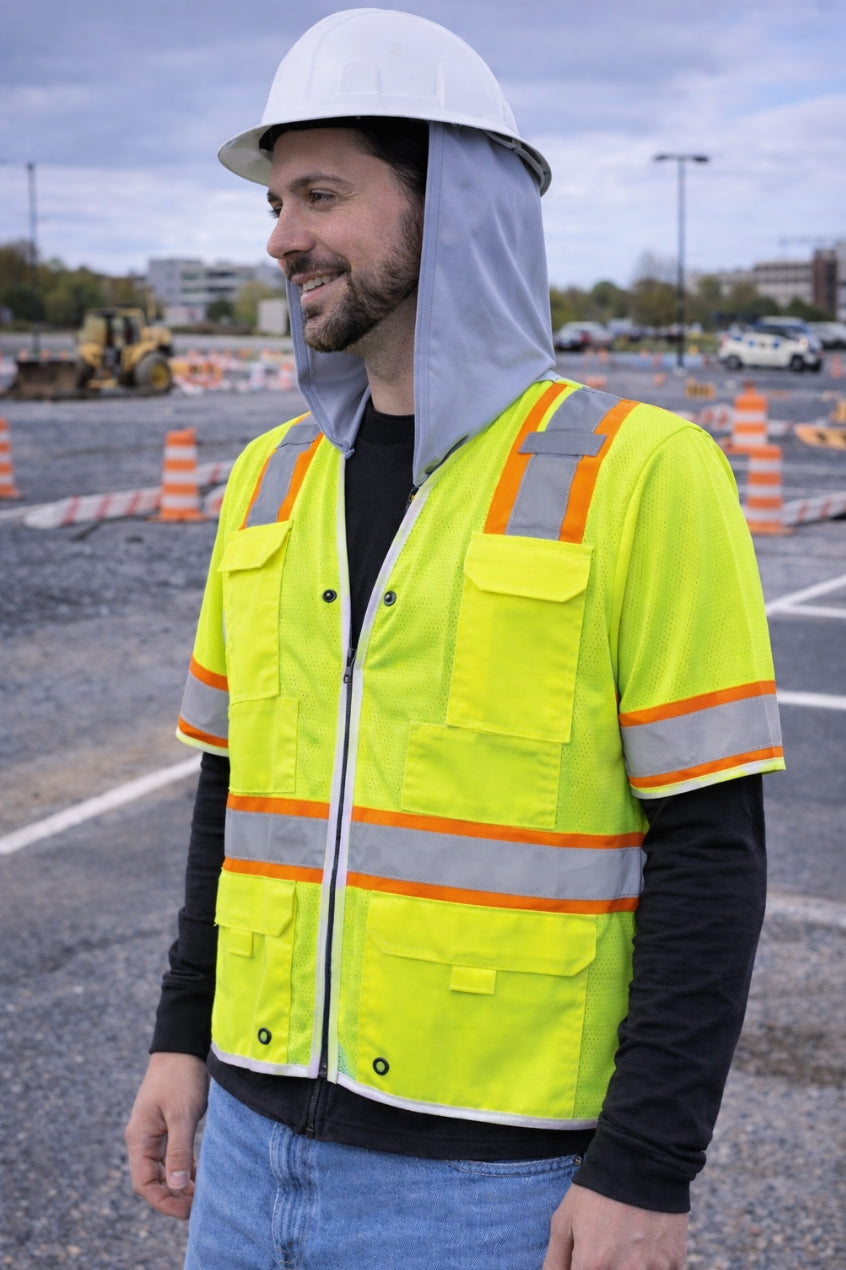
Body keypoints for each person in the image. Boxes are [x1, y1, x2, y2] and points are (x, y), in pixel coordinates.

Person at [125, 10, 785, 1268]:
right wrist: (178, 1036)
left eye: (322, 194)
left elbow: (712, 848)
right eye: (275, 201)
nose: (281, 238)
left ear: (461, 204)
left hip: (494, 1184)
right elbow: (232, 794)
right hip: (247, 1149)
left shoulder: (643, 473)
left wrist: (647, 1166)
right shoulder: (269, 480)